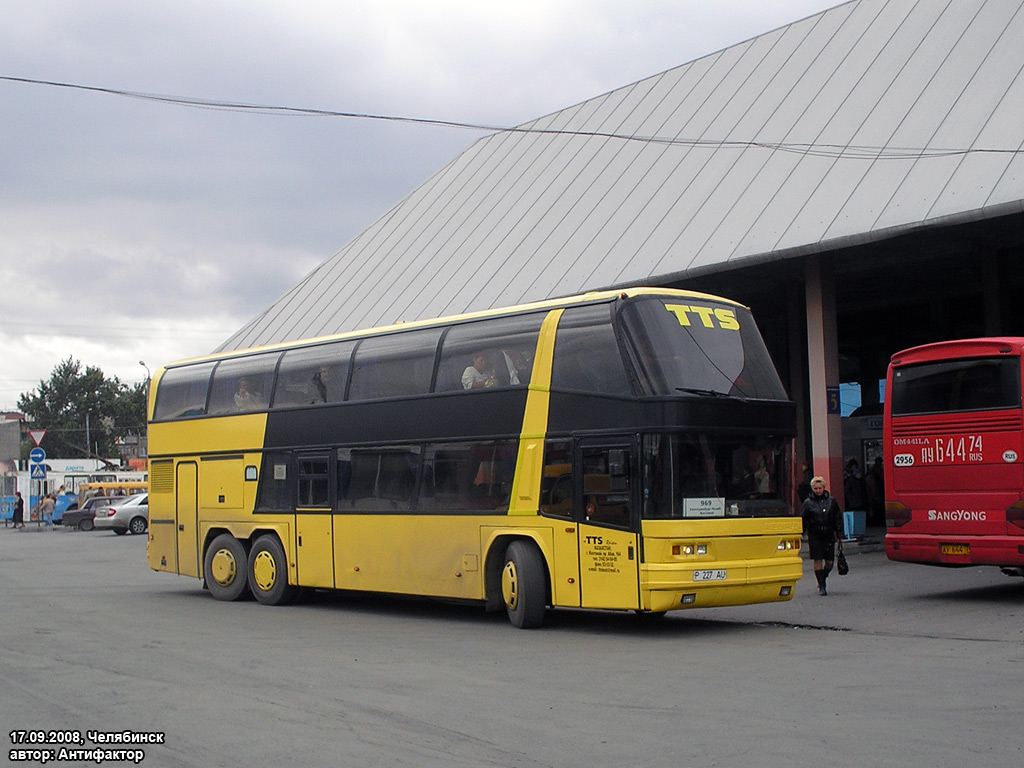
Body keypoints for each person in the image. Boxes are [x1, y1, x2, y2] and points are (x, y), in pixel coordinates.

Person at [802, 475, 843, 596]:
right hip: (815, 534)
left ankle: (823, 577)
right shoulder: (808, 503)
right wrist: (801, 533)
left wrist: (840, 534)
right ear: (812, 489)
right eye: (815, 488)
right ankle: (822, 586)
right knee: (818, 559)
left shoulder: (831, 501)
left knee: (830, 562)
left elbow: (837, 518)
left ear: (824, 488)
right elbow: (803, 520)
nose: (818, 491)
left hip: (828, 533)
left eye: (820, 488)